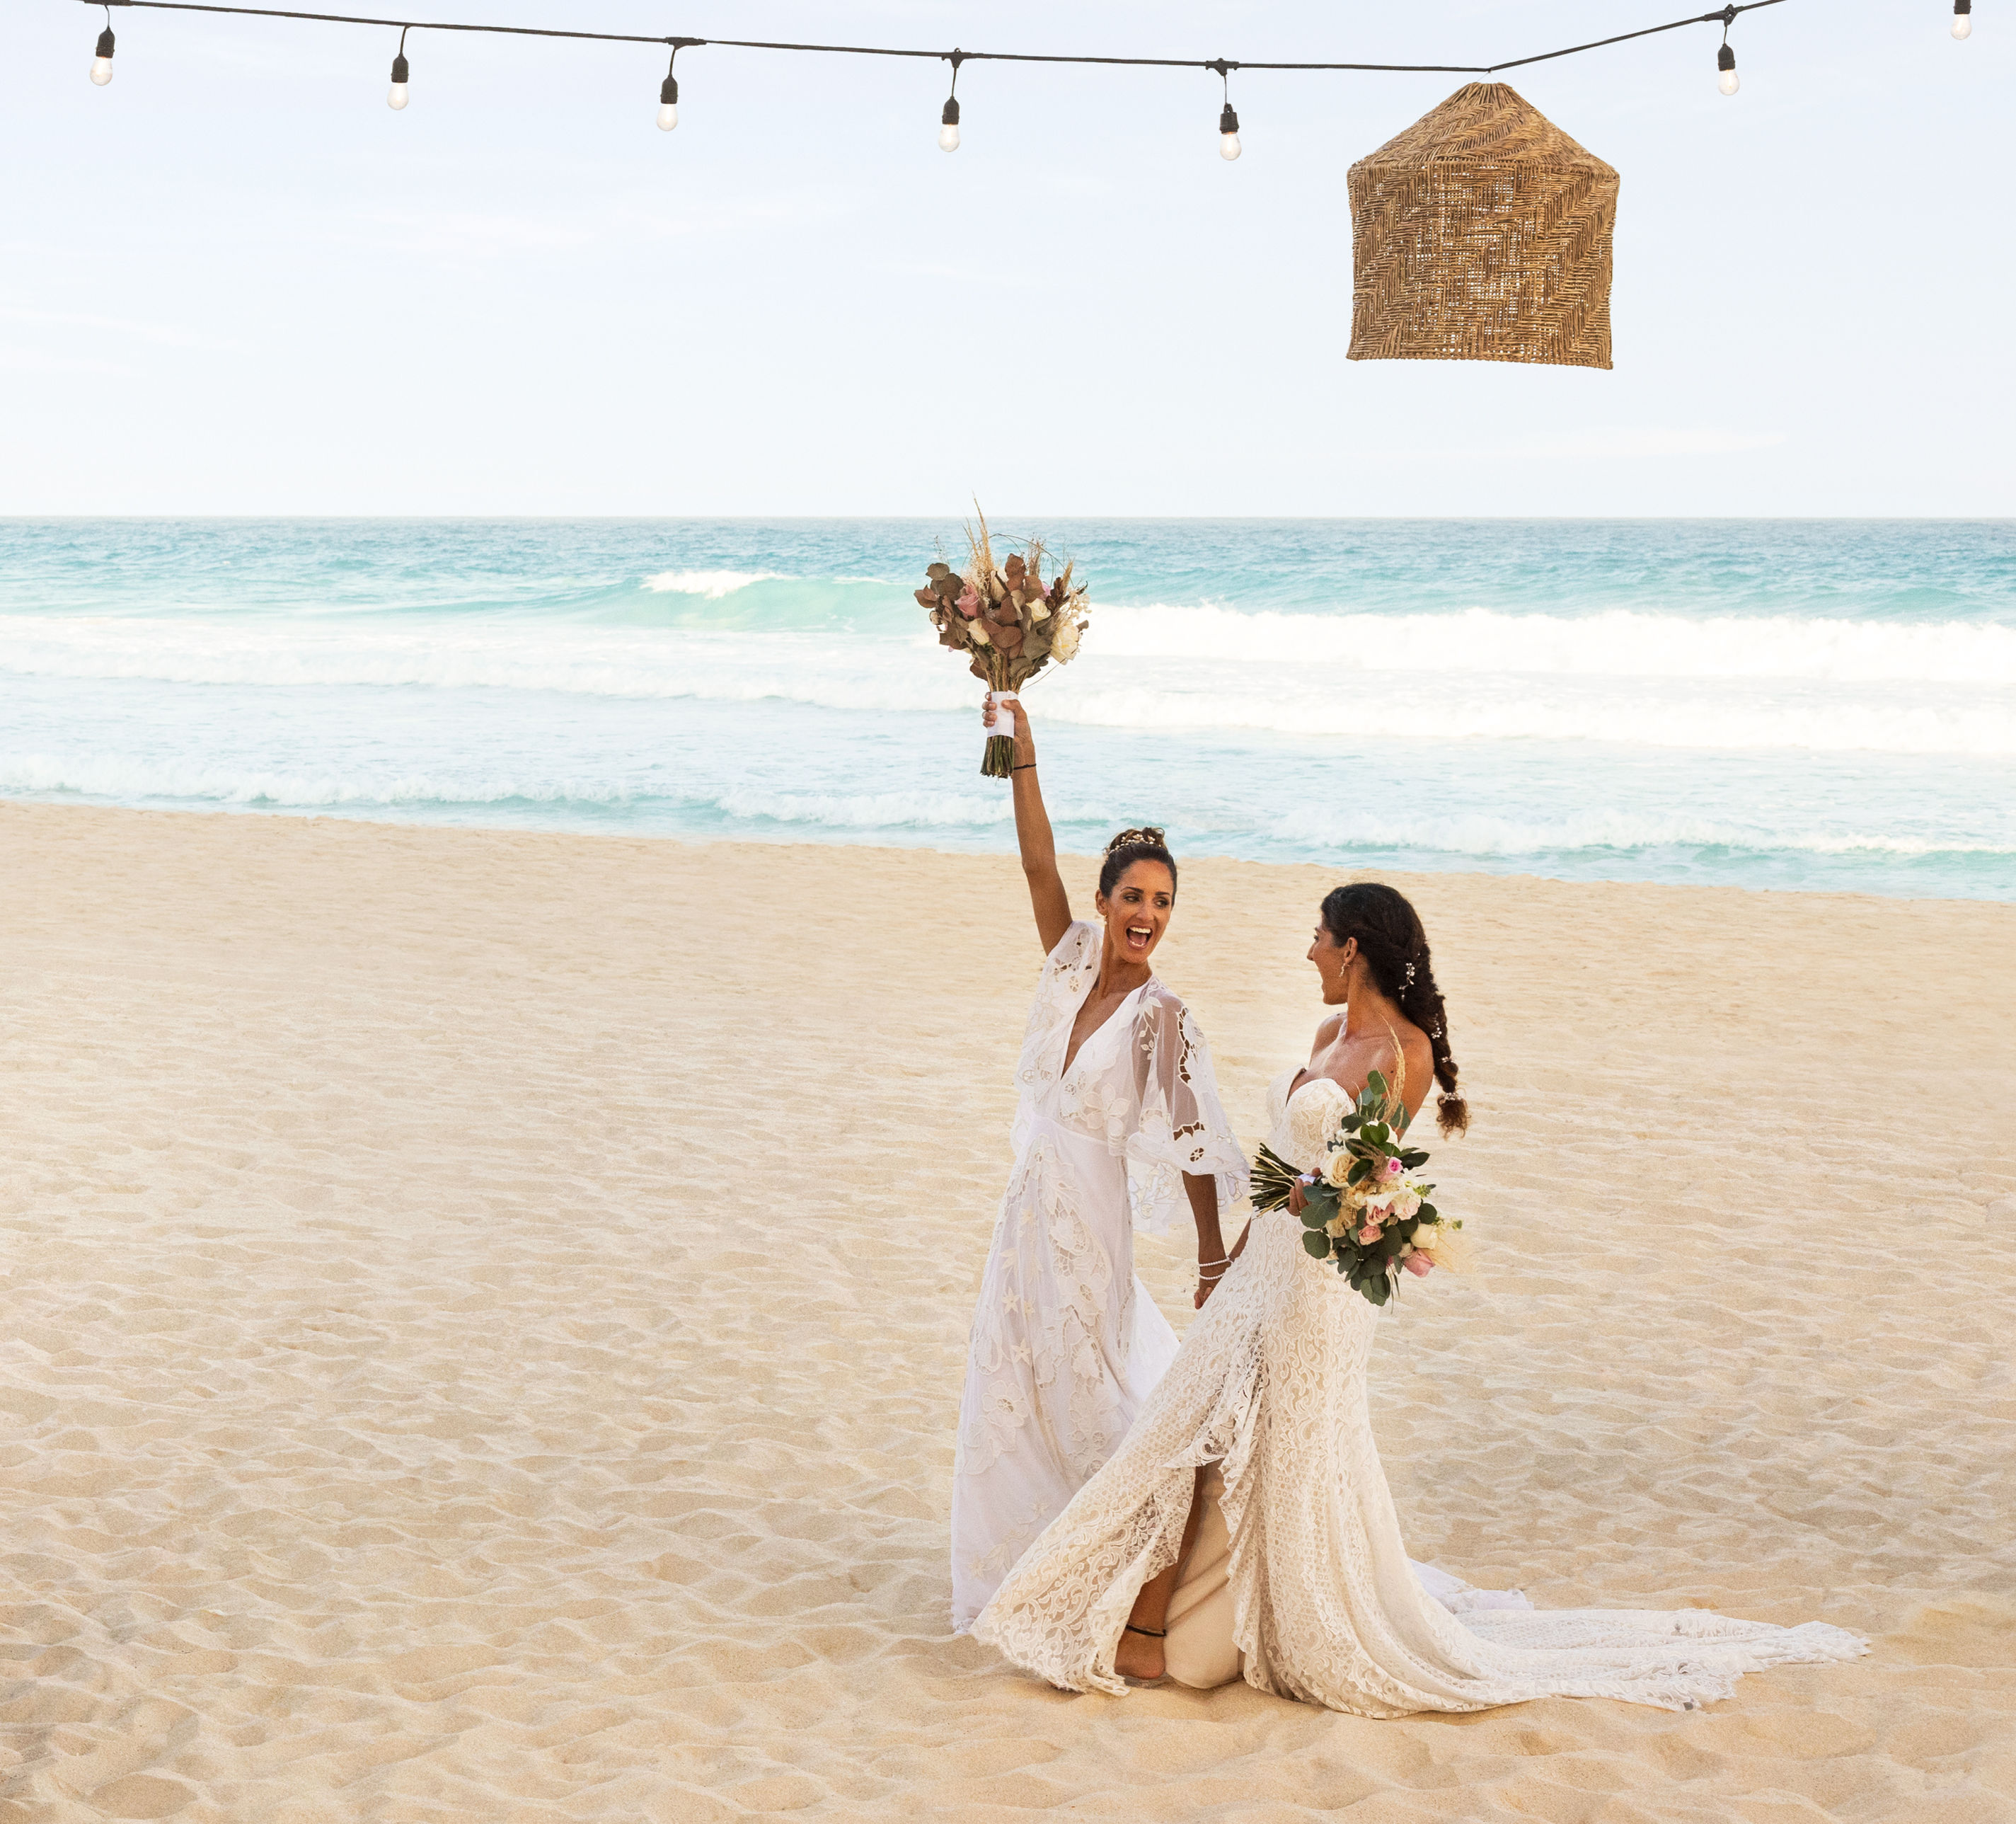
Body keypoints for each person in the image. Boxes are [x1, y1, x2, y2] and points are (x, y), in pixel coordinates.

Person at [974, 883, 1865, 1710]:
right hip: (1263, 1268)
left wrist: (1300, 1202)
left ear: (1351, 948)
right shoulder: (1325, 1037)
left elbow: (1360, 1187)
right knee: (1185, 1425)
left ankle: (1159, 1629)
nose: (1308, 953)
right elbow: (1289, 1164)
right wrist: (1229, 1259)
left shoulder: (1405, 1056)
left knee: (1241, 1439)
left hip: (1319, 1286)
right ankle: (1148, 1620)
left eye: (1318, 939)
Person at [949, 695, 1248, 1632]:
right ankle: (1024, 1566)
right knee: (1013, 1378)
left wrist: (1211, 1256)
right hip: (1026, 1212)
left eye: (1161, 902)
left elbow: (1195, 1141)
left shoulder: (1163, 1017)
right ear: (1103, 902)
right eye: (1133, 897)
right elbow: (1036, 861)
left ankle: (1118, 1570)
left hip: (1091, 1220)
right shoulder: (1072, 959)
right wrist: (1023, 753)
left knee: (1092, 1388)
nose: (1146, 915)